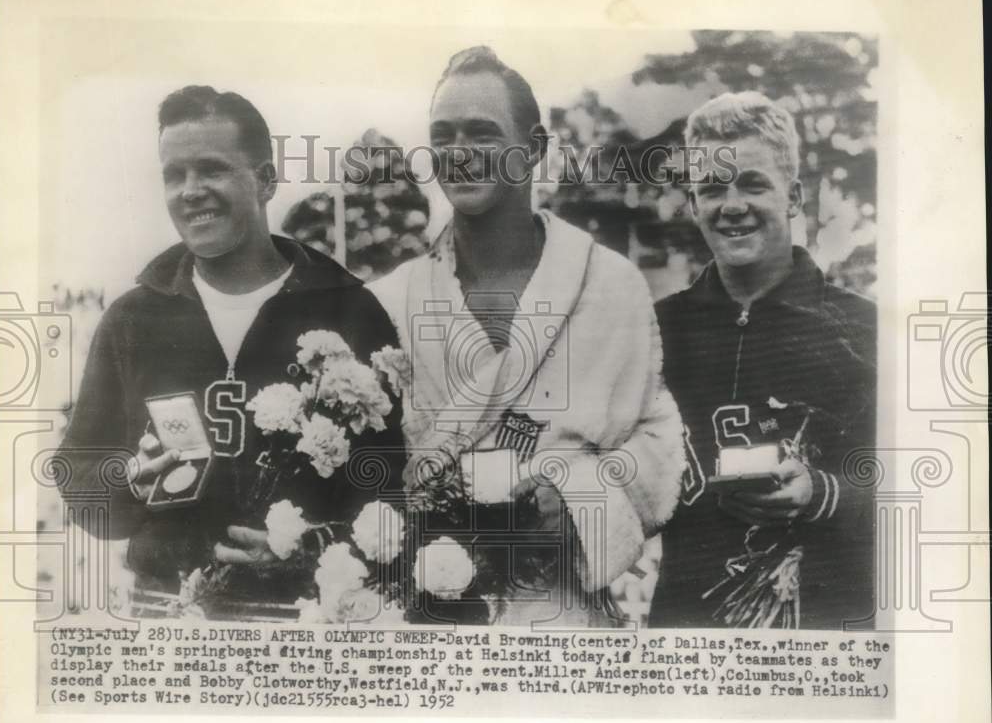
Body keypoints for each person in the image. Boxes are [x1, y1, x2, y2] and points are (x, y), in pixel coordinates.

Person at [370, 46, 685, 626]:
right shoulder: (392, 300)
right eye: (442, 135)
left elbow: (659, 439)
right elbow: (366, 469)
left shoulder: (609, 285)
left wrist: (576, 502)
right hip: (429, 610)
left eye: (482, 134)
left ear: (535, 150)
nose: (459, 154)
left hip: (562, 614)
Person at [58, 86, 404, 610]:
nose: (190, 190)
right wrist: (129, 478)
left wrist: (310, 546)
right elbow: (77, 480)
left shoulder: (349, 309)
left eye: (211, 169)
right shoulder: (132, 317)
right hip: (166, 615)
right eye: (174, 175)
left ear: (265, 180)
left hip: (309, 617)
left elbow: (392, 491)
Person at [649, 91, 877, 629]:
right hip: (686, 643)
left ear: (794, 196)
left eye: (753, 184)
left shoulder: (866, 329)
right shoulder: (654, 330)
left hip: (826, 643)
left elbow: (931, 489)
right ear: (693, 202)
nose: (732, 205)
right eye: (712, 189)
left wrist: (821, 492)